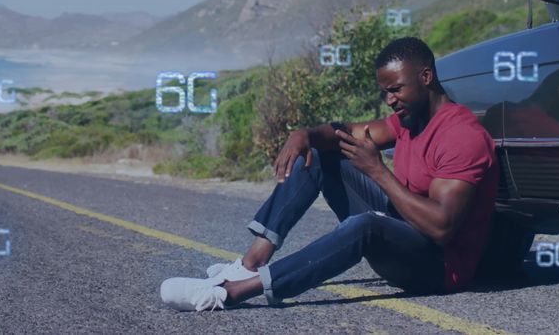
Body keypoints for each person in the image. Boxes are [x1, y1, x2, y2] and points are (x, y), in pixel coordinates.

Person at [159, 37, 499, 311]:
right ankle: (249, 263)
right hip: (402, 234)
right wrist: (304, 135)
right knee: (321, 154)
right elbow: (346, 131)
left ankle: (233, 293)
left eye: (396, 89)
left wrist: (379, 172)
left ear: (426, 77)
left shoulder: (461, 136)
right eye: (384, 92)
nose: (389, 100)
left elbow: (441, 228)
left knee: (365, 225)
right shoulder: (410, 120)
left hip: (438, 268)